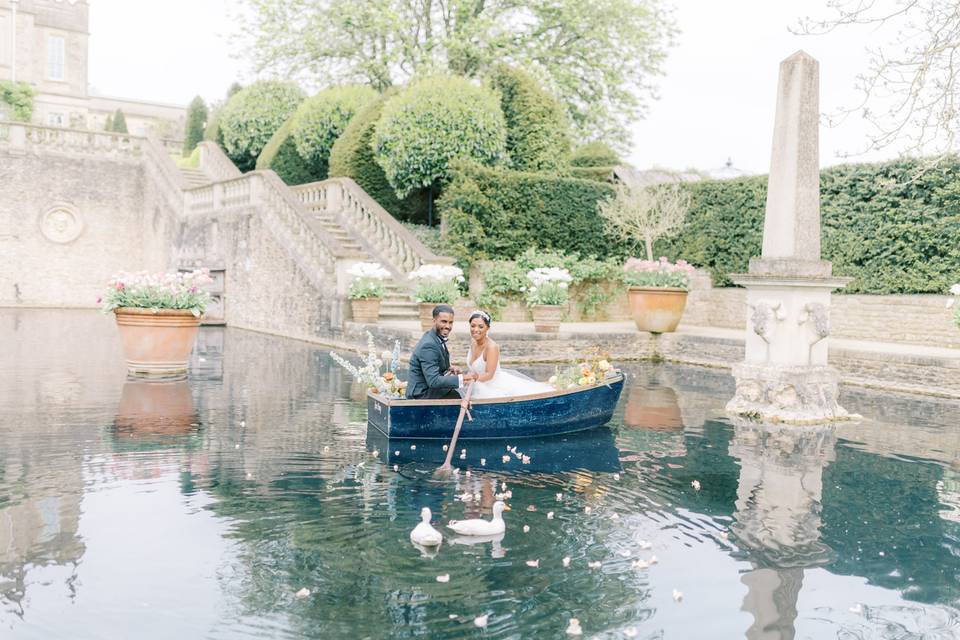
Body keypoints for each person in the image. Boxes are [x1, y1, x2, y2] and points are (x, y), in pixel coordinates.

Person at [465, 310, 553, 399]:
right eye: (473, 326)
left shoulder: (492, 347)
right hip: (474, 383)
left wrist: (470, 379)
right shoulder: (473, 342)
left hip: (490, 387)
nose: (476, 329)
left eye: (480, 327)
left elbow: (489, 375)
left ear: (487, 328)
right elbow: (473, 368)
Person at [406, 305, 477, 399]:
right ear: (434, 321)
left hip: (429, 389)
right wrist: (463, 378)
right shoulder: (428, 345)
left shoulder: (434, 337)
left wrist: (449, 369)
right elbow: (434, 381)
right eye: (444, 321)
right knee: (459, 396)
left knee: (465, 393)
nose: (448, 326)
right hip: (421, 395)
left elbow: (434, 364)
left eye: (450, 322)